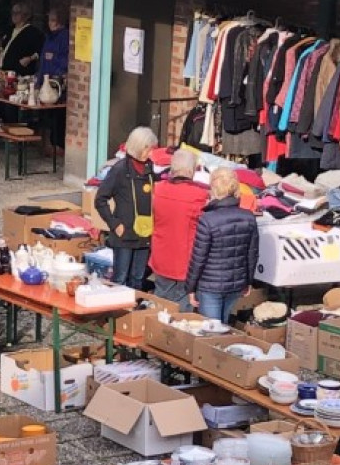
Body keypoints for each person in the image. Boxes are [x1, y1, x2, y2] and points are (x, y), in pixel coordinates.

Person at [187, 168, 259, 323]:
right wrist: (248, 282)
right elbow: (252, 254)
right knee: (223, 326)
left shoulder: (207, 219)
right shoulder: (249, 217)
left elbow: (198, 258)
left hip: (210, 284)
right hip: (236, 282)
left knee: (210, 332)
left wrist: (191, 287)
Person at [95, 127, 160, 291]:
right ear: (138, 147)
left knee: (138, 279)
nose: (150, 153)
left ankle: (134, 314)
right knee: (120, 278)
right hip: (124, 234)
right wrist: (114, 223)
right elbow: (100, 199)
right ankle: (117, 315)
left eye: (151, 149)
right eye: (147, 148)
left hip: (144, 233)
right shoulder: (120, 170)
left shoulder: (151, 170)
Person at [148, 150, 208, 311]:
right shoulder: (200, 195)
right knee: (182, 313)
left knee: (160, 307)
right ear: (192, 170)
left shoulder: (157, 189)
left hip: (161, 257)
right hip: (185, 261)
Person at [37, 7, 69, 157]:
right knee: (46, 116)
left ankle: (58, 145)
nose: (50, 23)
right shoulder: (49, 37)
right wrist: (38, 81)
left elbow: (68, 61)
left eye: (52, 20)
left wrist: (53, 58)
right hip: (45, 79)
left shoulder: (65, 37)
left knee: (56, 115)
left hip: (57, 82)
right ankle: (46, 144)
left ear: (59, 22)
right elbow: (43, 60)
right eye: (49, 20)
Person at [0, 3, 44, 76]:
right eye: (13, 12)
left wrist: (30, 58)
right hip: (3, 72)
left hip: (20, 73)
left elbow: (40, 50)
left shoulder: (33, 32)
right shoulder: (10, 30)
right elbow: (3, 47)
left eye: (17, 13)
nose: (14, 15)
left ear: (25, 15)